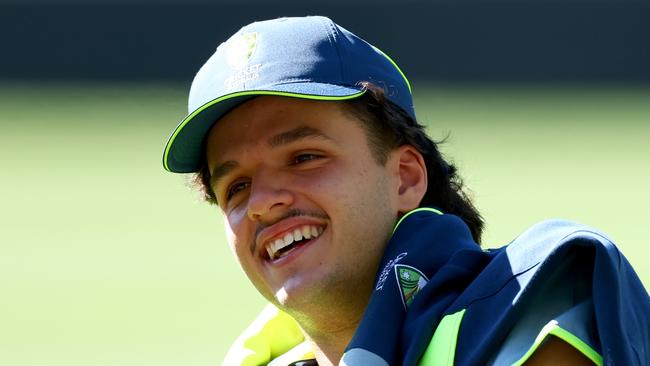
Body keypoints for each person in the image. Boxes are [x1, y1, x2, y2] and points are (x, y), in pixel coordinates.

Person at [162, 16, 649, 366]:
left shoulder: (531, 315)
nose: (264, 201)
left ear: (406, 178)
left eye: (304, 157)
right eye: (237, 187)